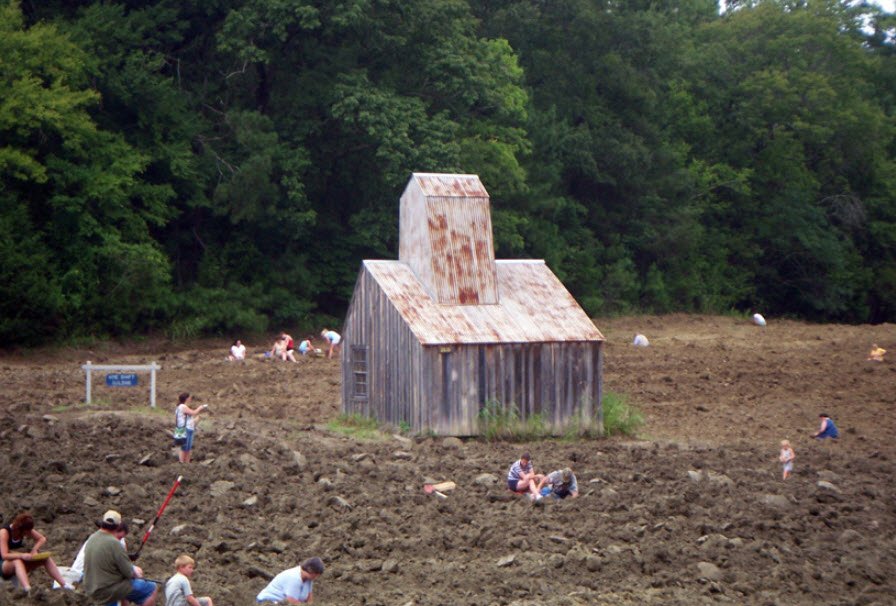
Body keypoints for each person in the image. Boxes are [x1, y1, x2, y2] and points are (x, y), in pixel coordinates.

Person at [83, 510, 157, 606]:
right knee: (151, 588)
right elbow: (128, 573)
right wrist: (138, 574)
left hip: (91, 587)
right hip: (108, 589)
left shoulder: (92, 538)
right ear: (118, 526)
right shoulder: (114, 543)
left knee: (123, 590)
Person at [1, 513, 71, 591]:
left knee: (45, 558)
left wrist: (34, 550)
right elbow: (4, 555)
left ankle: (63, 584)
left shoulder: (25, 530)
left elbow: (42, 538)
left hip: (19, 560)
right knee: (17, 561)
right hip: (4, 564)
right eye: (25, 533)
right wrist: (22, 555)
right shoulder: (4, 532)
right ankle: (27, 589)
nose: (26, 535)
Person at [54, 522, 128, 589]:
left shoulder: (104, 537)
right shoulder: (102, 541)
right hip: (83, 574)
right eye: (119, 537)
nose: (119, 540)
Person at [256, 557, 324, 604]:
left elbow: (309, 599)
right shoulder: (294, 577)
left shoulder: (309, 579)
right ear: (311, 571)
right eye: (316, 574)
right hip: (268, 601)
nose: (317, 577)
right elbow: (291, 601)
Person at [176, 392, 209, 463]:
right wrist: (200, 408)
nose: (190, 399)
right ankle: (181, 462)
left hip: (189, 429)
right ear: (186, 398)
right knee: (184, 448)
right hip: (184, 429)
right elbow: (193, 412)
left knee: (188, 448)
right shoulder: (182, 406)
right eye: (189, 398)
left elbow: (190, 420)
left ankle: (187, 463)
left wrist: (198, 418)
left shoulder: (185, 407)